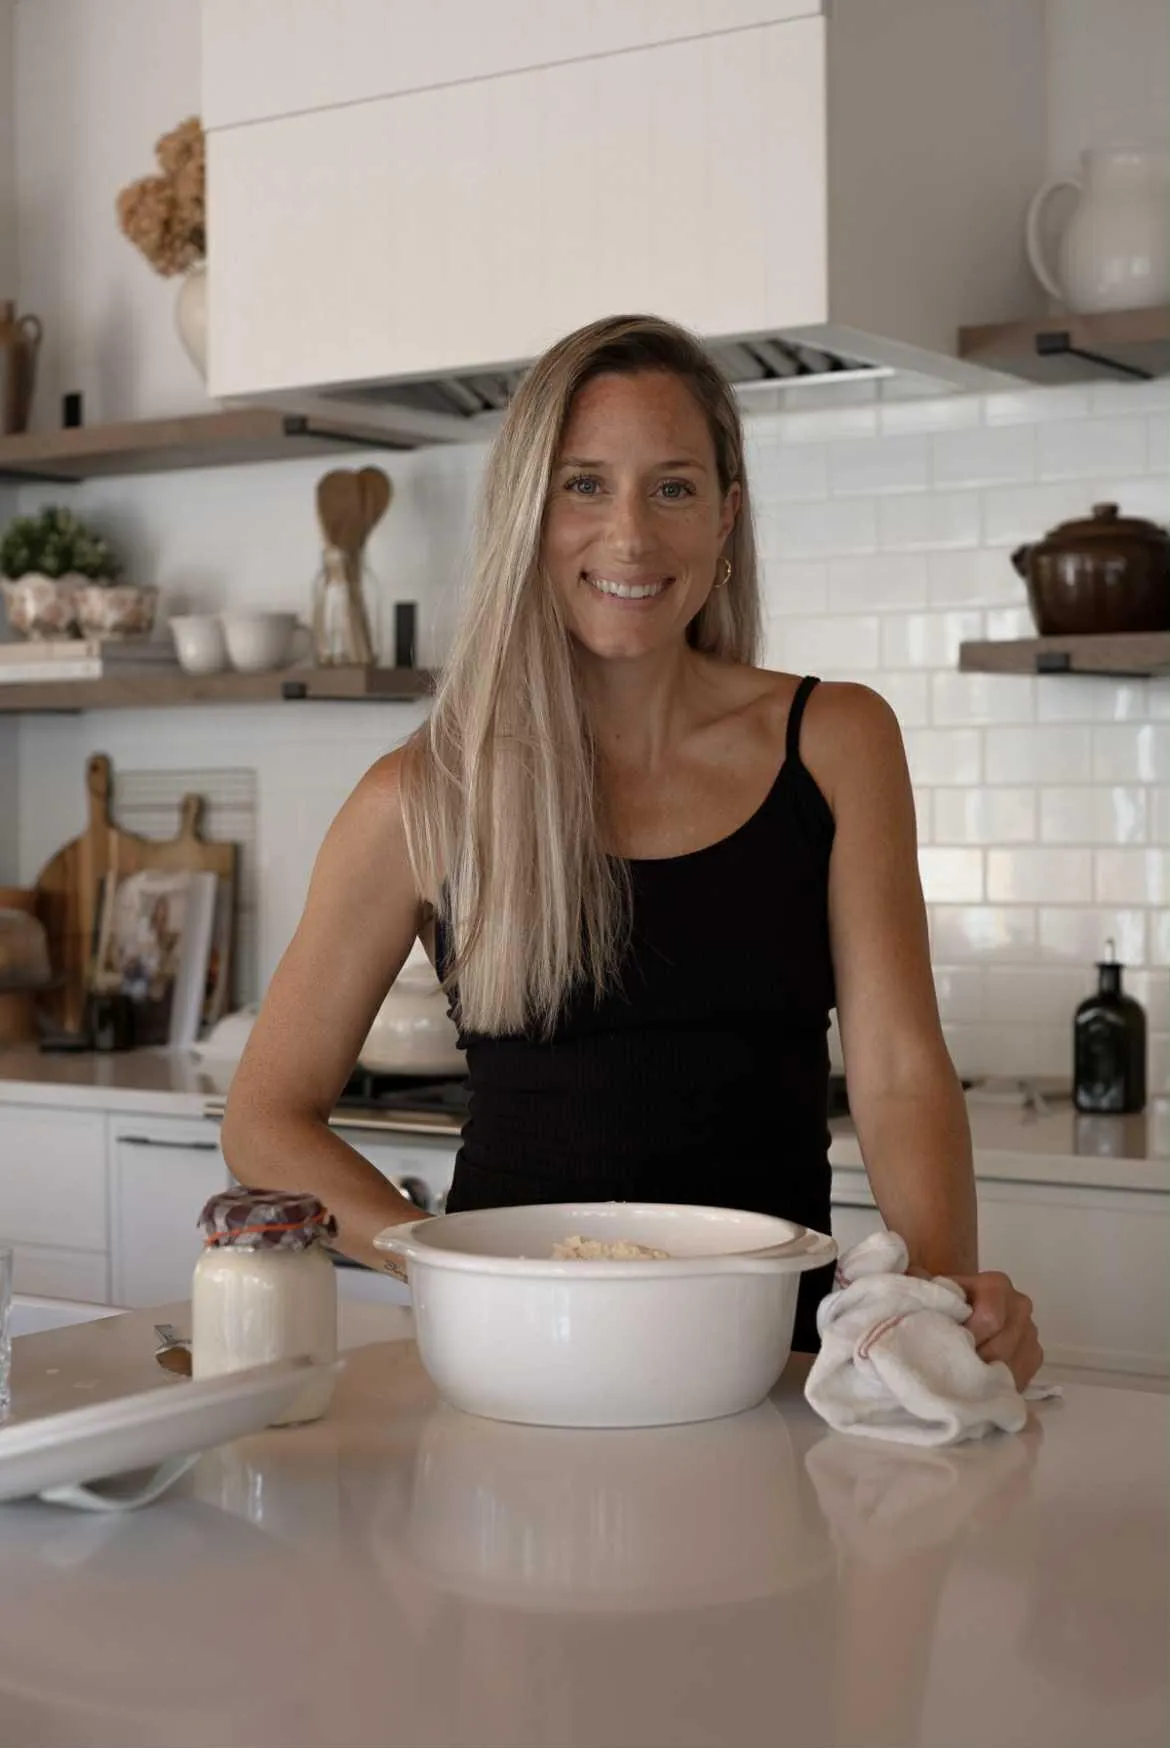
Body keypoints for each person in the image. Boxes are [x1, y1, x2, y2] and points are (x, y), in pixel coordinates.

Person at [223, 314, 1041, 1385]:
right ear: (527, 510)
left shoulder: (839, 741)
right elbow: (264, 1117)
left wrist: (933, 1305)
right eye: (584, 485)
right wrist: (437, 1262)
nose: (630, 537)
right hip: (512, 1361)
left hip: (775, 1360)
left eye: (673, 487)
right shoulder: (425, 793)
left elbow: (895, 1071)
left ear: (726, 516)